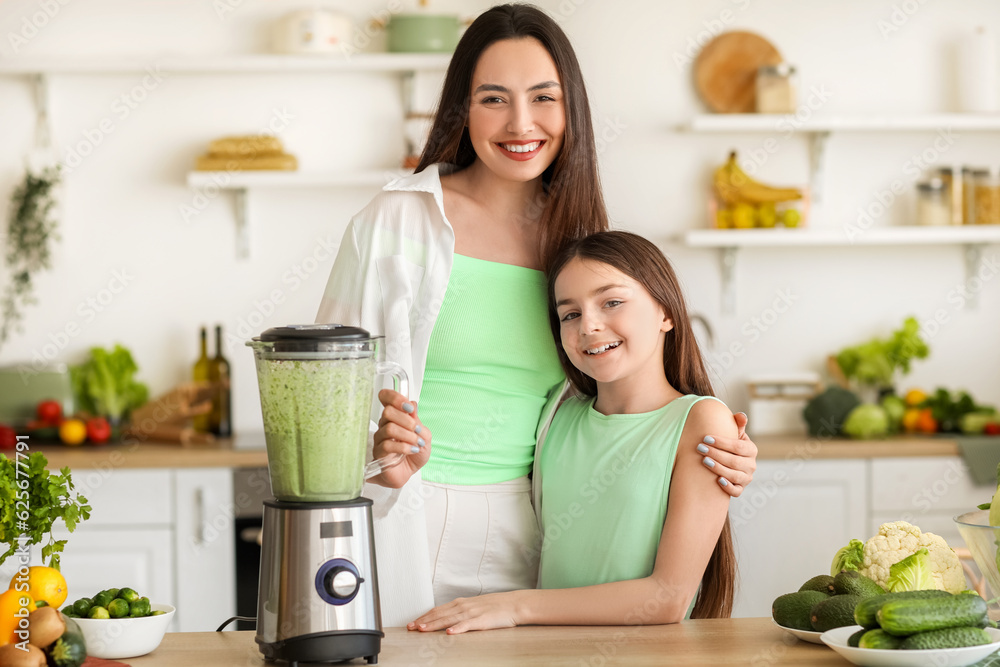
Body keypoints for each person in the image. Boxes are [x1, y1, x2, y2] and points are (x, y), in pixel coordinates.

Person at [315, 4, 757, 627]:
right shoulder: (398, 221)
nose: (521, 123)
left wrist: (715, 448)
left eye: (543, 97)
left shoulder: (576, 239)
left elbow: (620, 402)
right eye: (493, 99)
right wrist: (371, 453)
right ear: (460, 110)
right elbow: (322, 395)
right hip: (405, 516)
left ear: (569, 107)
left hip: (542, 528)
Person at [403, 231, 736, 633]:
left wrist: (516, 607)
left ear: (665, 313)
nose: (589, 326)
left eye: (612, 302)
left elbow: (667, 596)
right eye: (570, 314)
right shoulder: (557, 418)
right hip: (550, 653)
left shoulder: (700, 422)